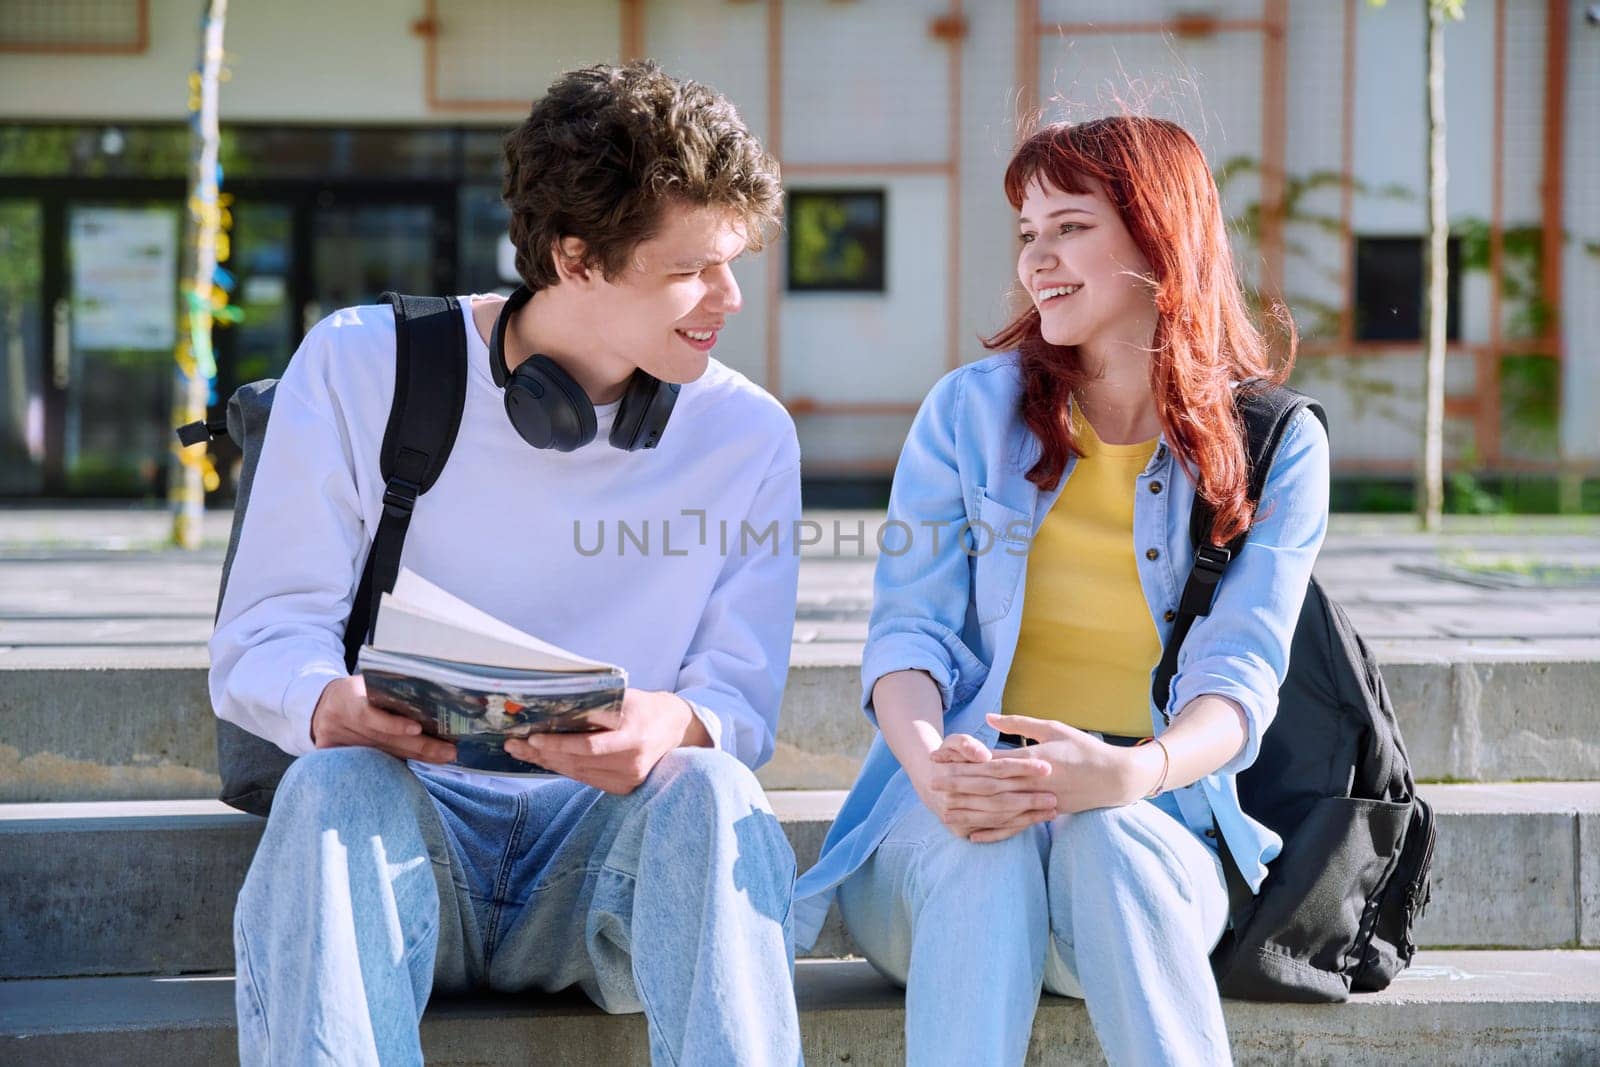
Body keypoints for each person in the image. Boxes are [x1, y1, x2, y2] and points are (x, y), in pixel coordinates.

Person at [211, 61, 804, 1066]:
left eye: (736, 259)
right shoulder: (364, 364)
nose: (728, 297)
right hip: (402, 839)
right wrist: (326, 703)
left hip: (607, 859)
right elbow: (262, 635)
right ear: (575, 258)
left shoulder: (747, 434)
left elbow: (738, 690)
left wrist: (682, 720)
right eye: (691, 268)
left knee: (715, 793)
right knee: (328, 787)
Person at [793, 116, 1330, 1066]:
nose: (1038, 258)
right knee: (984, 851)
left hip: (1149, 831)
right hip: (942, 841)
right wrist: (939, 775)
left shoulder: (1274, 444)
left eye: (1069, 227)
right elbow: (908, 637)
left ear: (1160, 238)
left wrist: (1131, 773)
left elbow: (1240, 675)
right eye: (1027, 234)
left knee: (1109, 840)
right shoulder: (969, 412)